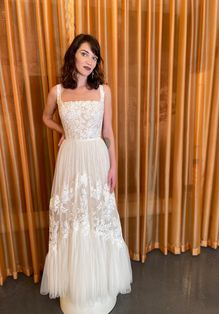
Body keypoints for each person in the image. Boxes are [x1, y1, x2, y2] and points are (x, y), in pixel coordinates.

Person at [40, 34, 132, 314]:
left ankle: (98, 282)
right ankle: (76, 286)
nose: (89, 61)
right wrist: (63, 131)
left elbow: (108, 132)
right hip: (70, 159)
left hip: (96, 159)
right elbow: (45, 117)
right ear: (73, 56)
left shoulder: (104, 91)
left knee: (97, 217)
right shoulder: (57, 91)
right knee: (72, 218)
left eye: (94, 56)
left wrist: (114, 166)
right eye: (84, 54)